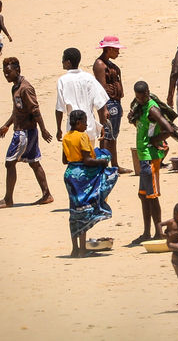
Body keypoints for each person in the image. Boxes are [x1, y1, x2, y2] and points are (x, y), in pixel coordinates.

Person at [0, 56, 54, 209]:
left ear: (17, 70)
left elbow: (35, 109)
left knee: (9, 163)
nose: (6, 75)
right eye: (4, 73)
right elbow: (17, 110)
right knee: (34, 162)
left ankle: (8, 199)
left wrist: (44, 129)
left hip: (24, 133)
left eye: (9, 72)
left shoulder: (25, 88)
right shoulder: (15, 87)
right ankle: (46, 195)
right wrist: (6, 125)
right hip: (26, 132)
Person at [61, 109, 116, 258]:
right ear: (78, 123)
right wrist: (102, 161)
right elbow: (87, 160)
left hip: (70, 174)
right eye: (85, 122)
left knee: (74, 211)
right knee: (84, 211)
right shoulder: (82, 136)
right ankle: (83, 249)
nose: (86, 125)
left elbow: (65, 160)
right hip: (81, 176)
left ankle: (75, 249)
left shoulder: (66, 137)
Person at [128, 80, 176, 240]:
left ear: (148, 93)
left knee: (152, 196)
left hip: (151, 158)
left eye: (143, 97)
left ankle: (158, 232)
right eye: (138, 98)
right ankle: (147, 232)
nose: (141, 100)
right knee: (143, 195)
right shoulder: (139, 106)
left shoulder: (152, 109)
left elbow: (169, 129)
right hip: (143, 156)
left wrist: (156, 140)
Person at [54, 47, 110, 137]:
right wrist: (102, 125)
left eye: (63, 59)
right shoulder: (89, 78)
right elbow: (100, 103)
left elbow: (59, 108)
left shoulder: (63, 80)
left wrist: (58, 129)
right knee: (89, 151)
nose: (62, 62)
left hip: (73, 129)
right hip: (89, 126)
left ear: (68, 62)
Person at [92, 37, 126, 170]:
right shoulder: (100, 65)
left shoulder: (110, 65)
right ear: (110, 49)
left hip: (115, 102)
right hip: (108, 103)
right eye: (116, 49)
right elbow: (101, 88)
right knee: (107, 134)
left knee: (113, 134)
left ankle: (115, 165)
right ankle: (104, 165)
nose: (118, 52)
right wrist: (104, 108)